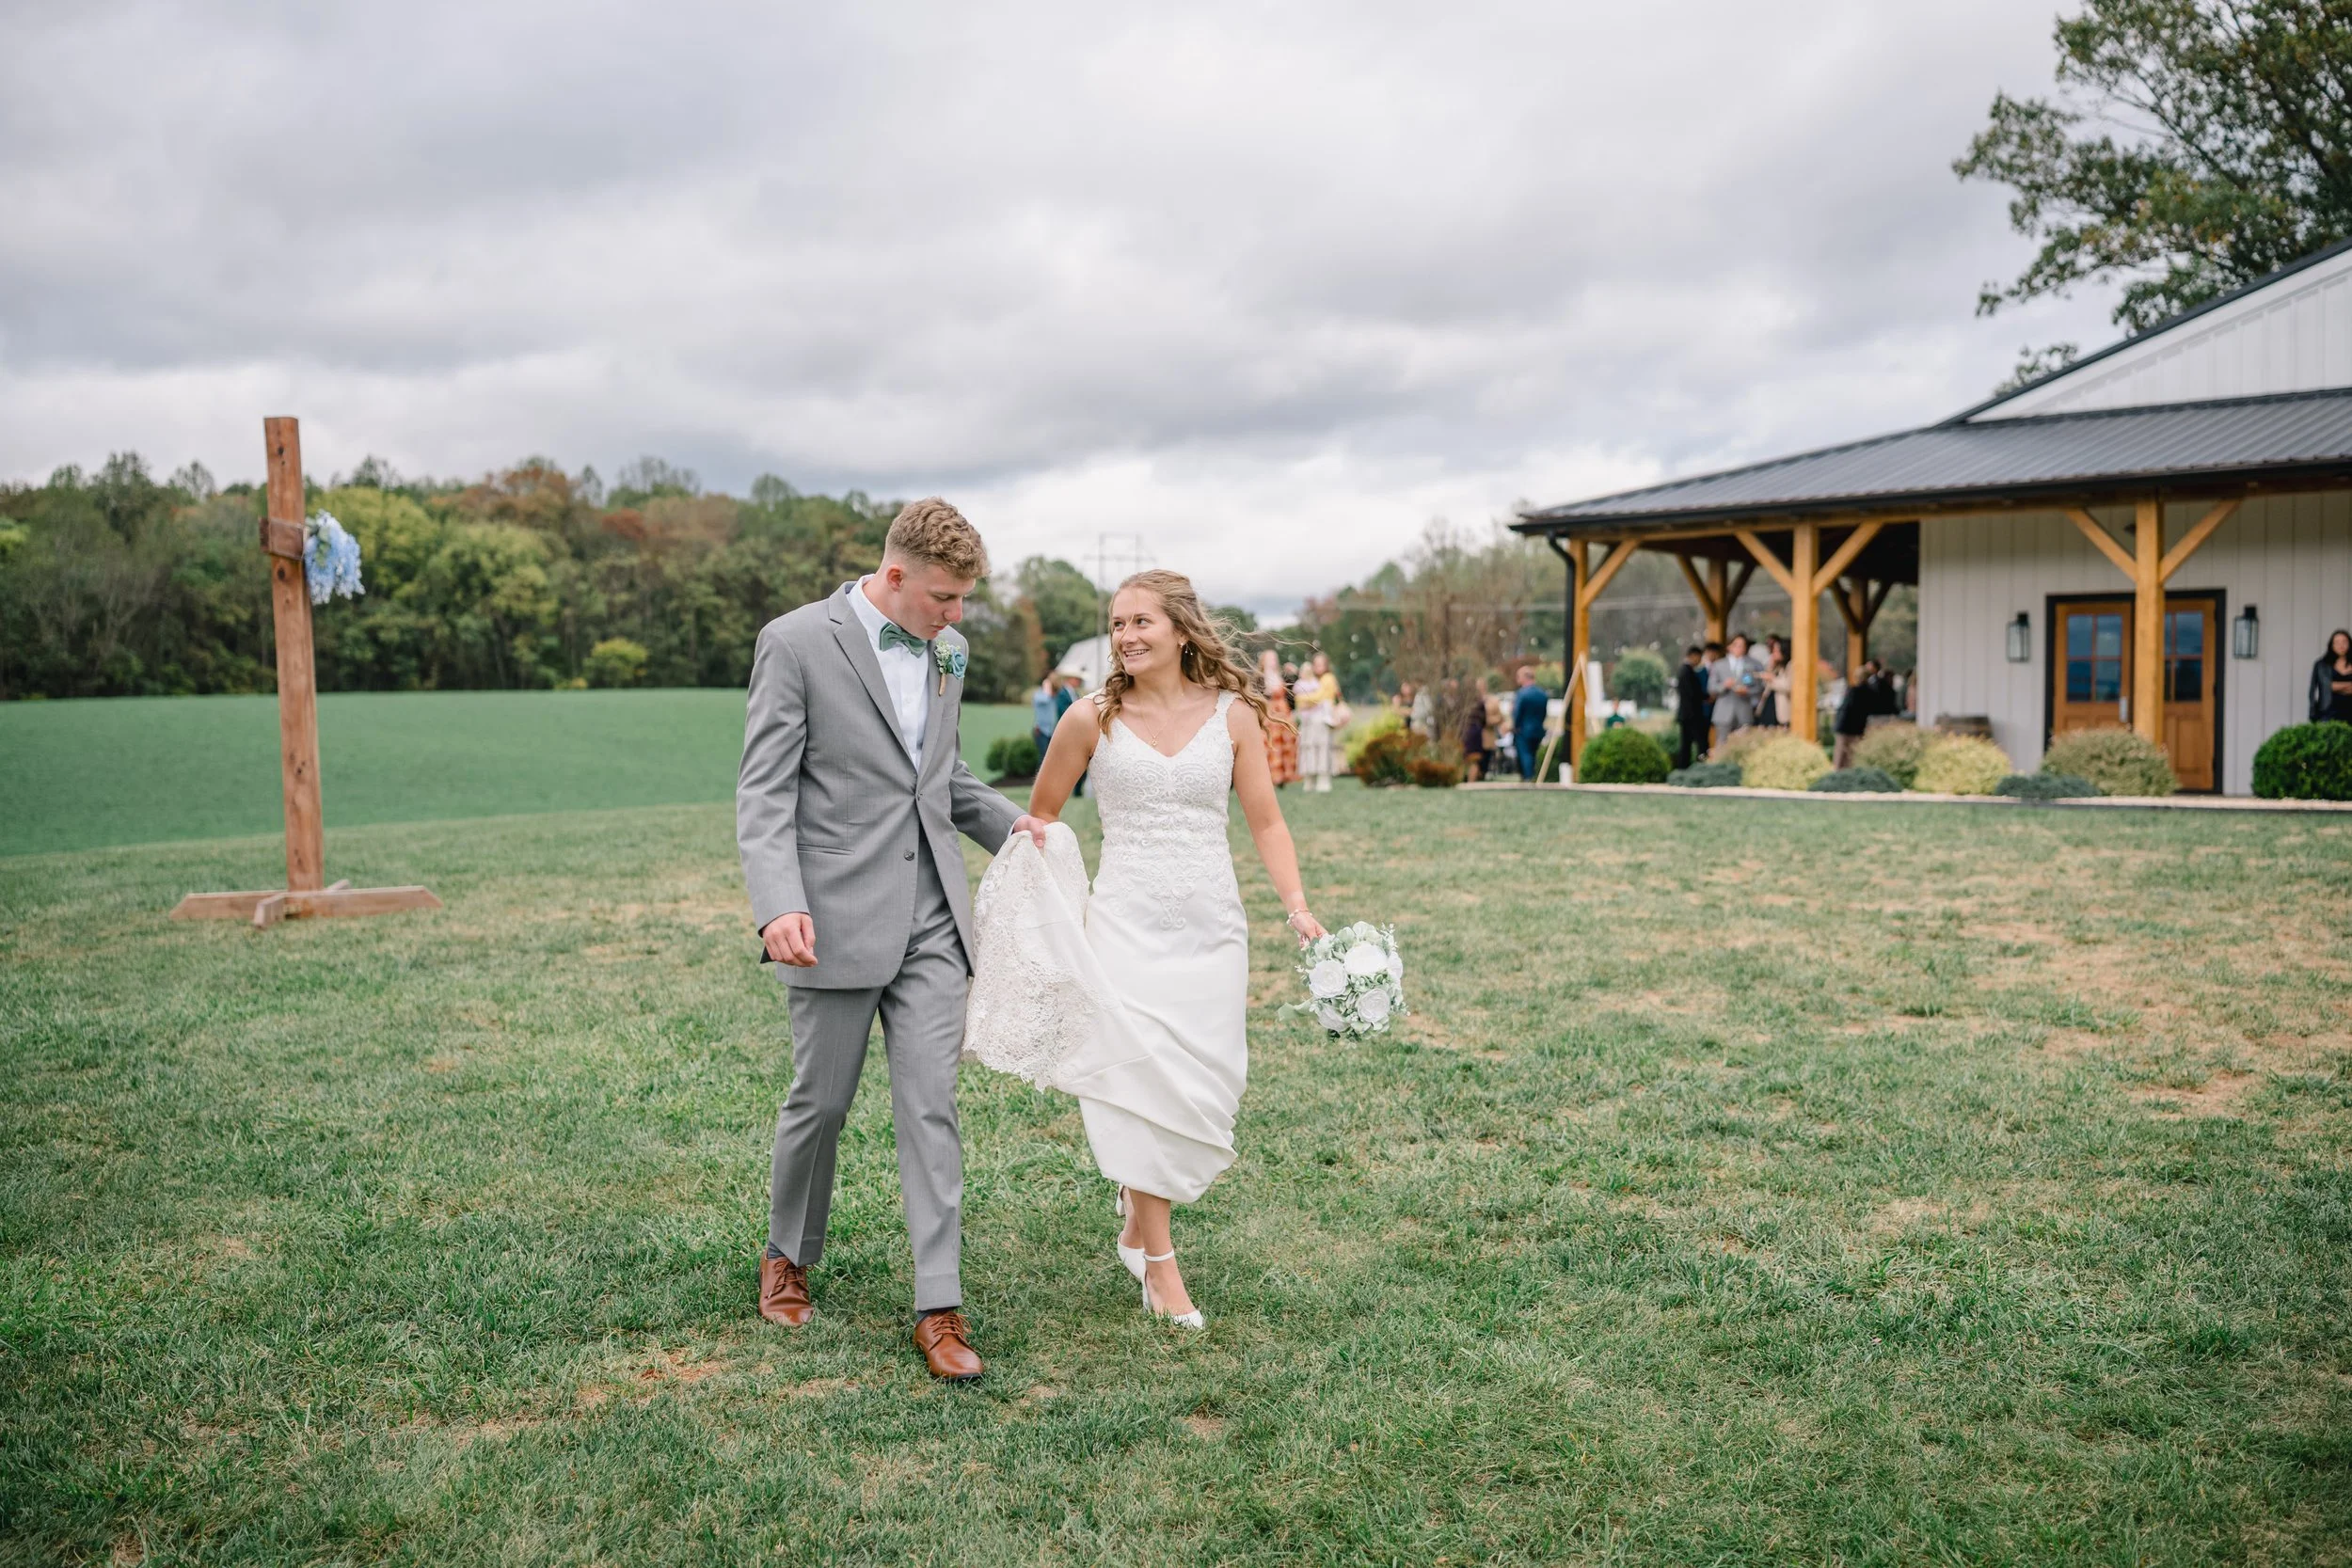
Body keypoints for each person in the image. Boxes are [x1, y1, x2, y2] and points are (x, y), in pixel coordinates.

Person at [737, 498, 1051, 1382]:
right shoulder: (795, 642)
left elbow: (941, 778)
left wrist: (1012, 826)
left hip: (934, 920)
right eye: (944, 599)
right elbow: (764, 792)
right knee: (821, 1103)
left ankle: (939, 1304)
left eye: (965, 602)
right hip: (831, 916)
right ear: (897, 574)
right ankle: (787, 1253)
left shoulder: (946, 650)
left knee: (930, 1107)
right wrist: (777, 904)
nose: (956, 619)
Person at [1024, 569, 1325, 1327]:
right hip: (1123, 928)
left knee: (1204, 1087)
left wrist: (1296, 905)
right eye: (1117, 623)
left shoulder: (1232, 717)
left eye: (1140, 622)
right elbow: (1044, 816)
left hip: (1210, 928)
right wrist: (1047, 902)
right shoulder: (1088, 718)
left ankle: (1136, 1212)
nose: (1125, 635)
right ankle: (1160, 1267)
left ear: (1181, 630)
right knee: (1140, 1083)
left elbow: (1266, 821)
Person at [1294, 652, 1340, 792]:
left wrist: (1301, 699)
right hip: (1310, 721)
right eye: (1316, 664)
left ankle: (1323, 780)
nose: (1318, 667)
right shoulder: (1312, 680)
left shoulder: (1328, 678)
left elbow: (1319, 697)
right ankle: (1310, 780)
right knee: (1308, 748)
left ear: (1326, 665)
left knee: (1322, 748)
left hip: (1322, 719)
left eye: (1321, 664)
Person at [1832, 657, 1887, 768]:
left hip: (1846, 727)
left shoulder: (1854, 691)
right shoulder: (1871, 692)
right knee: (1852, 755)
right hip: (1858, 726)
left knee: (1841, 754)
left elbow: (1846, 709)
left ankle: (1838, 775)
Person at [1260, 648, 1300, 785]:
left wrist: (1295, 673)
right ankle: (1271, 775)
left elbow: (1294, 691)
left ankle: (1286, 774)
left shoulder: (1282, 675)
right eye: (1270, 658)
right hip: (1269, 713)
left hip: (1284, 713)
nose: (1273, 661)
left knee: (1287, 742)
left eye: (1274, 658)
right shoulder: (1260, 677)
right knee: (1270, 742)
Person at [1708, 634, 1758, 742]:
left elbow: (1756, 688)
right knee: (1721, 745)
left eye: (1742, 645)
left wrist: (1747, 691)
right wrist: (1724, 685)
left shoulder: (1750, 666)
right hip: (1724, 714)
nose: (1740, 648)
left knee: (1743, 746)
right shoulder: (1719, 665)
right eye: (1737, 645)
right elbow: (1711, 688)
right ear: (1729, 647)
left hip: (1744, 713)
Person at [1674, 644, 1712, 768]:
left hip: (1687, 715)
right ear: (1693, 656)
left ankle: (1685, 767)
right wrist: (1706, 697)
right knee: (1698, 743)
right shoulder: (1687, 672)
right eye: (1699, 657)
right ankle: (1693, 766)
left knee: (1687, 744)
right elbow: (1692, 693)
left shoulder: (1685, 671)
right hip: (1691, 715)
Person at [1512, 665, 1549, 780]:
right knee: (1533, 754)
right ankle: (1534, 775)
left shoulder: (1522, 694)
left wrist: (1515, 726)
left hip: (1523, 730)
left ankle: (1528, 777)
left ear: (1525, 677)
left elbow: (1517, 713)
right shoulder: (1542, 694)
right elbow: (1544, 713)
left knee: (1525, 754)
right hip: (1538, 729)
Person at [2310, 629, 2352, 723]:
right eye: (2337, 642)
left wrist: (2337, 686)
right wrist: (2348, 685)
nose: (2341, 645)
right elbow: (2327, 686)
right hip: (2329, 712)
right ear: (2332, 645)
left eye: (2344, 642)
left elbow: (2333, 686)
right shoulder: (2322, 665)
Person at [1757, 636, 1790, 729]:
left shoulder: (1791, 666)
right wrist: (1771, 666)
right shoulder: (1778, 666)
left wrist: (1772, 679)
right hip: (1770, 706)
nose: (1773, 653)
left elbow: (1789, 686)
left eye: (1776, 651)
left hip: (1782, 710)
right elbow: (1767, 684)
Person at [1459, 684, 1488, 781]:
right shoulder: (1480, 702)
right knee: (1474, 759)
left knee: (1463, 758)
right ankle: (1471, 782)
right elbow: (1484, 719)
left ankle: (1461, 780)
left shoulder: (1462, 702)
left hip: (1464, 731)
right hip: (1476, 731)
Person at [1029, 673, 1059, 767]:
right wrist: (1047, 686)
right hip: (1041, 731)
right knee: (1043, 758)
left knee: (1051, 758)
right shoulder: (1039, 695)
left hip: (1051, 731)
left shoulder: (1053, 696)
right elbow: (1045, 699)